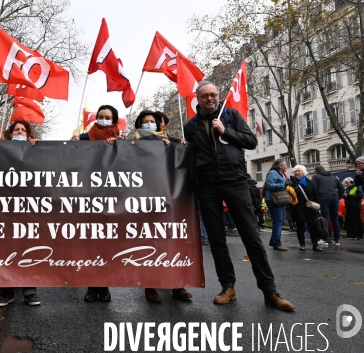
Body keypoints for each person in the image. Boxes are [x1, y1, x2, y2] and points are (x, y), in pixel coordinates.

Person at [183, 80, 294, 311]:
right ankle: (228, 287)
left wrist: (226, 131)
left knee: (252, 238)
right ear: (198, 98)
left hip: (235, 182)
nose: (210, 99)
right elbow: (190, 154)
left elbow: (251, 141)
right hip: (207, 186)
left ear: (218, 95)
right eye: (204, 96)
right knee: (216, 240)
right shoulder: (191, 126)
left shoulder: (231, 115)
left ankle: (270, 292)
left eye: (213, 94)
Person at [132, 109, 192, 303]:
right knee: (150, 244)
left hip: (169, 200)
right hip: (145, 200)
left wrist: (181, 146)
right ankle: (150, 287)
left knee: (172, 243)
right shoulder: (134, 141)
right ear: (140, 125)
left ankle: (177, 285)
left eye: (153, 121)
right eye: (145, 121)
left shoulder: (170, 140)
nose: (150, 124)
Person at [73, 105, 120, 302]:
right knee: (91, 244)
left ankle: (105, 286)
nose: (102, 120)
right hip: (88, 195)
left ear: (114, 120)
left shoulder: (121, 140)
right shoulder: (84, 138)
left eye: (107, 117)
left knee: (107, 244)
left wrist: (117, 146)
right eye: (100, 117)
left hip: (112, 197)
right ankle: (92, 286)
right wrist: (72, 143)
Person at [0, 120, 40, 306]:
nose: (20, 133)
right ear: (9, 134)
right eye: (16, 130)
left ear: (29, 135)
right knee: (6, 250)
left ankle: (30, 291)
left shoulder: (35, 150)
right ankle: (6, 292)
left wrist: (37, 150)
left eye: (23, 130)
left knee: (28, 248)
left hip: (28, 210)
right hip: (5, 209)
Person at [289, 165, 322, 251]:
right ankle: (302, 244)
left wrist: (318, 206)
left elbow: (315, 194)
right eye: (295, 171)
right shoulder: (291, 182)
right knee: (300, 227)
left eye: (299, 171)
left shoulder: (310, 182)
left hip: (310, 207)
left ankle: (315, 244)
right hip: (298, 207)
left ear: (303, 172)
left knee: (312, 226)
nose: (297, 173)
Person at [311, 165, 344, 245]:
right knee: (335, 219)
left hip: (323, 198)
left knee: (324, 219)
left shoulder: (316, 177)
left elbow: (314, 189)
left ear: (316, 171)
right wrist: (338, 197)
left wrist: (316, 200)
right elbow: (342, 188)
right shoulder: (333, 177)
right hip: (334, 198)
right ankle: (337, 240)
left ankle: (325, 238)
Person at [264, 159, 289, 251]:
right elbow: (270, 186)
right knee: (278, 222)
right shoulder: (272, 173)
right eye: (285, 165)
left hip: (280, 199)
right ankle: (277, 243)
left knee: (280, 221)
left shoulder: (281, 174)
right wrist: (284, 184)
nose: (287, 166)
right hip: (274, 200)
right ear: (280, 166)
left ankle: (274, 241)